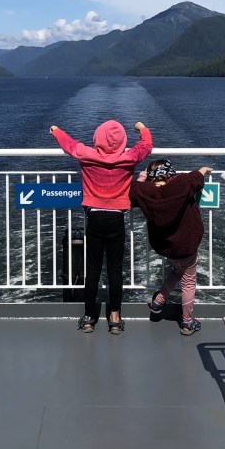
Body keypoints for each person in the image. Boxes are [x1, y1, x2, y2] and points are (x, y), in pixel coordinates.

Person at [49, 120, 153, 335]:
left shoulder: (86, 154)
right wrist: (142, 128)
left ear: (97, 138)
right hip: (116, 220)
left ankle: (88, 318)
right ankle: (115, 318)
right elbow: (146, 145)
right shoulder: (129, 157)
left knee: (93, 270)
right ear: (122, 140)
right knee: (115, 271)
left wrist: (56, 131)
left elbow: (69, 144)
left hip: (95, 219)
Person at [130, 158, 213, 336]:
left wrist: (142, 177)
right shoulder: (182, 184)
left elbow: (134, 190)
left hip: (166, 246)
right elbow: (195, 178)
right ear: (170, 175)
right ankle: (187, 322)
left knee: (177, 271)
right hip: (186, 244)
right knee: (188, 282)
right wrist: (204, 169)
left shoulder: (145, 191)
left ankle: (158, 302)